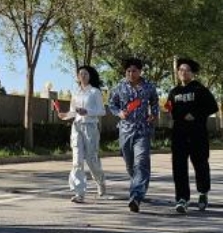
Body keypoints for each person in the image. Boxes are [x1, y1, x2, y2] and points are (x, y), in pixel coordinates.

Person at [164, 57, 219, 214]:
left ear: (192, 73)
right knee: (179, 167)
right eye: (181, 70)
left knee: (200, 164)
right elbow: (169, 109)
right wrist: (169, 114)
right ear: (178, 72)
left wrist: (195, 114)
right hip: (179, 134)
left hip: (197, 134)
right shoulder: (174, 92)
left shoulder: (200, 89)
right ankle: (182, 199)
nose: (184, 72)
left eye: (187, 70)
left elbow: (213, 107)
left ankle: (203, 192)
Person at [108, 57, 159, 213]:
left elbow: (155, 101)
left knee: (141, 162)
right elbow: (112, 104)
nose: (131, 74)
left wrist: (153, 114)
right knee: (131, 165)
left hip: (143, 129)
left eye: (134, 71)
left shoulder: (148, 86)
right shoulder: (119, 87)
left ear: (140, 71)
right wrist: (119, 113)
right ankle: (138, 183)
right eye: (128, 71)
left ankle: (136, 196)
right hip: (125, 130)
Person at [57, 65, 108, 203]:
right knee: (77, 160)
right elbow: (73, 111)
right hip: (77, 127)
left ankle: (100, 181)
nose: (83, 76)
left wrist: (88, 112)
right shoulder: (76, 92)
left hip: (90, 127)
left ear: (90, 76)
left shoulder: (95, 92)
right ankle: (79, 193)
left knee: (92, 160)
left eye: (85, 74)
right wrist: (65, 115)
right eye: (80, 74)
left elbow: (102, 111)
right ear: (78, 77)